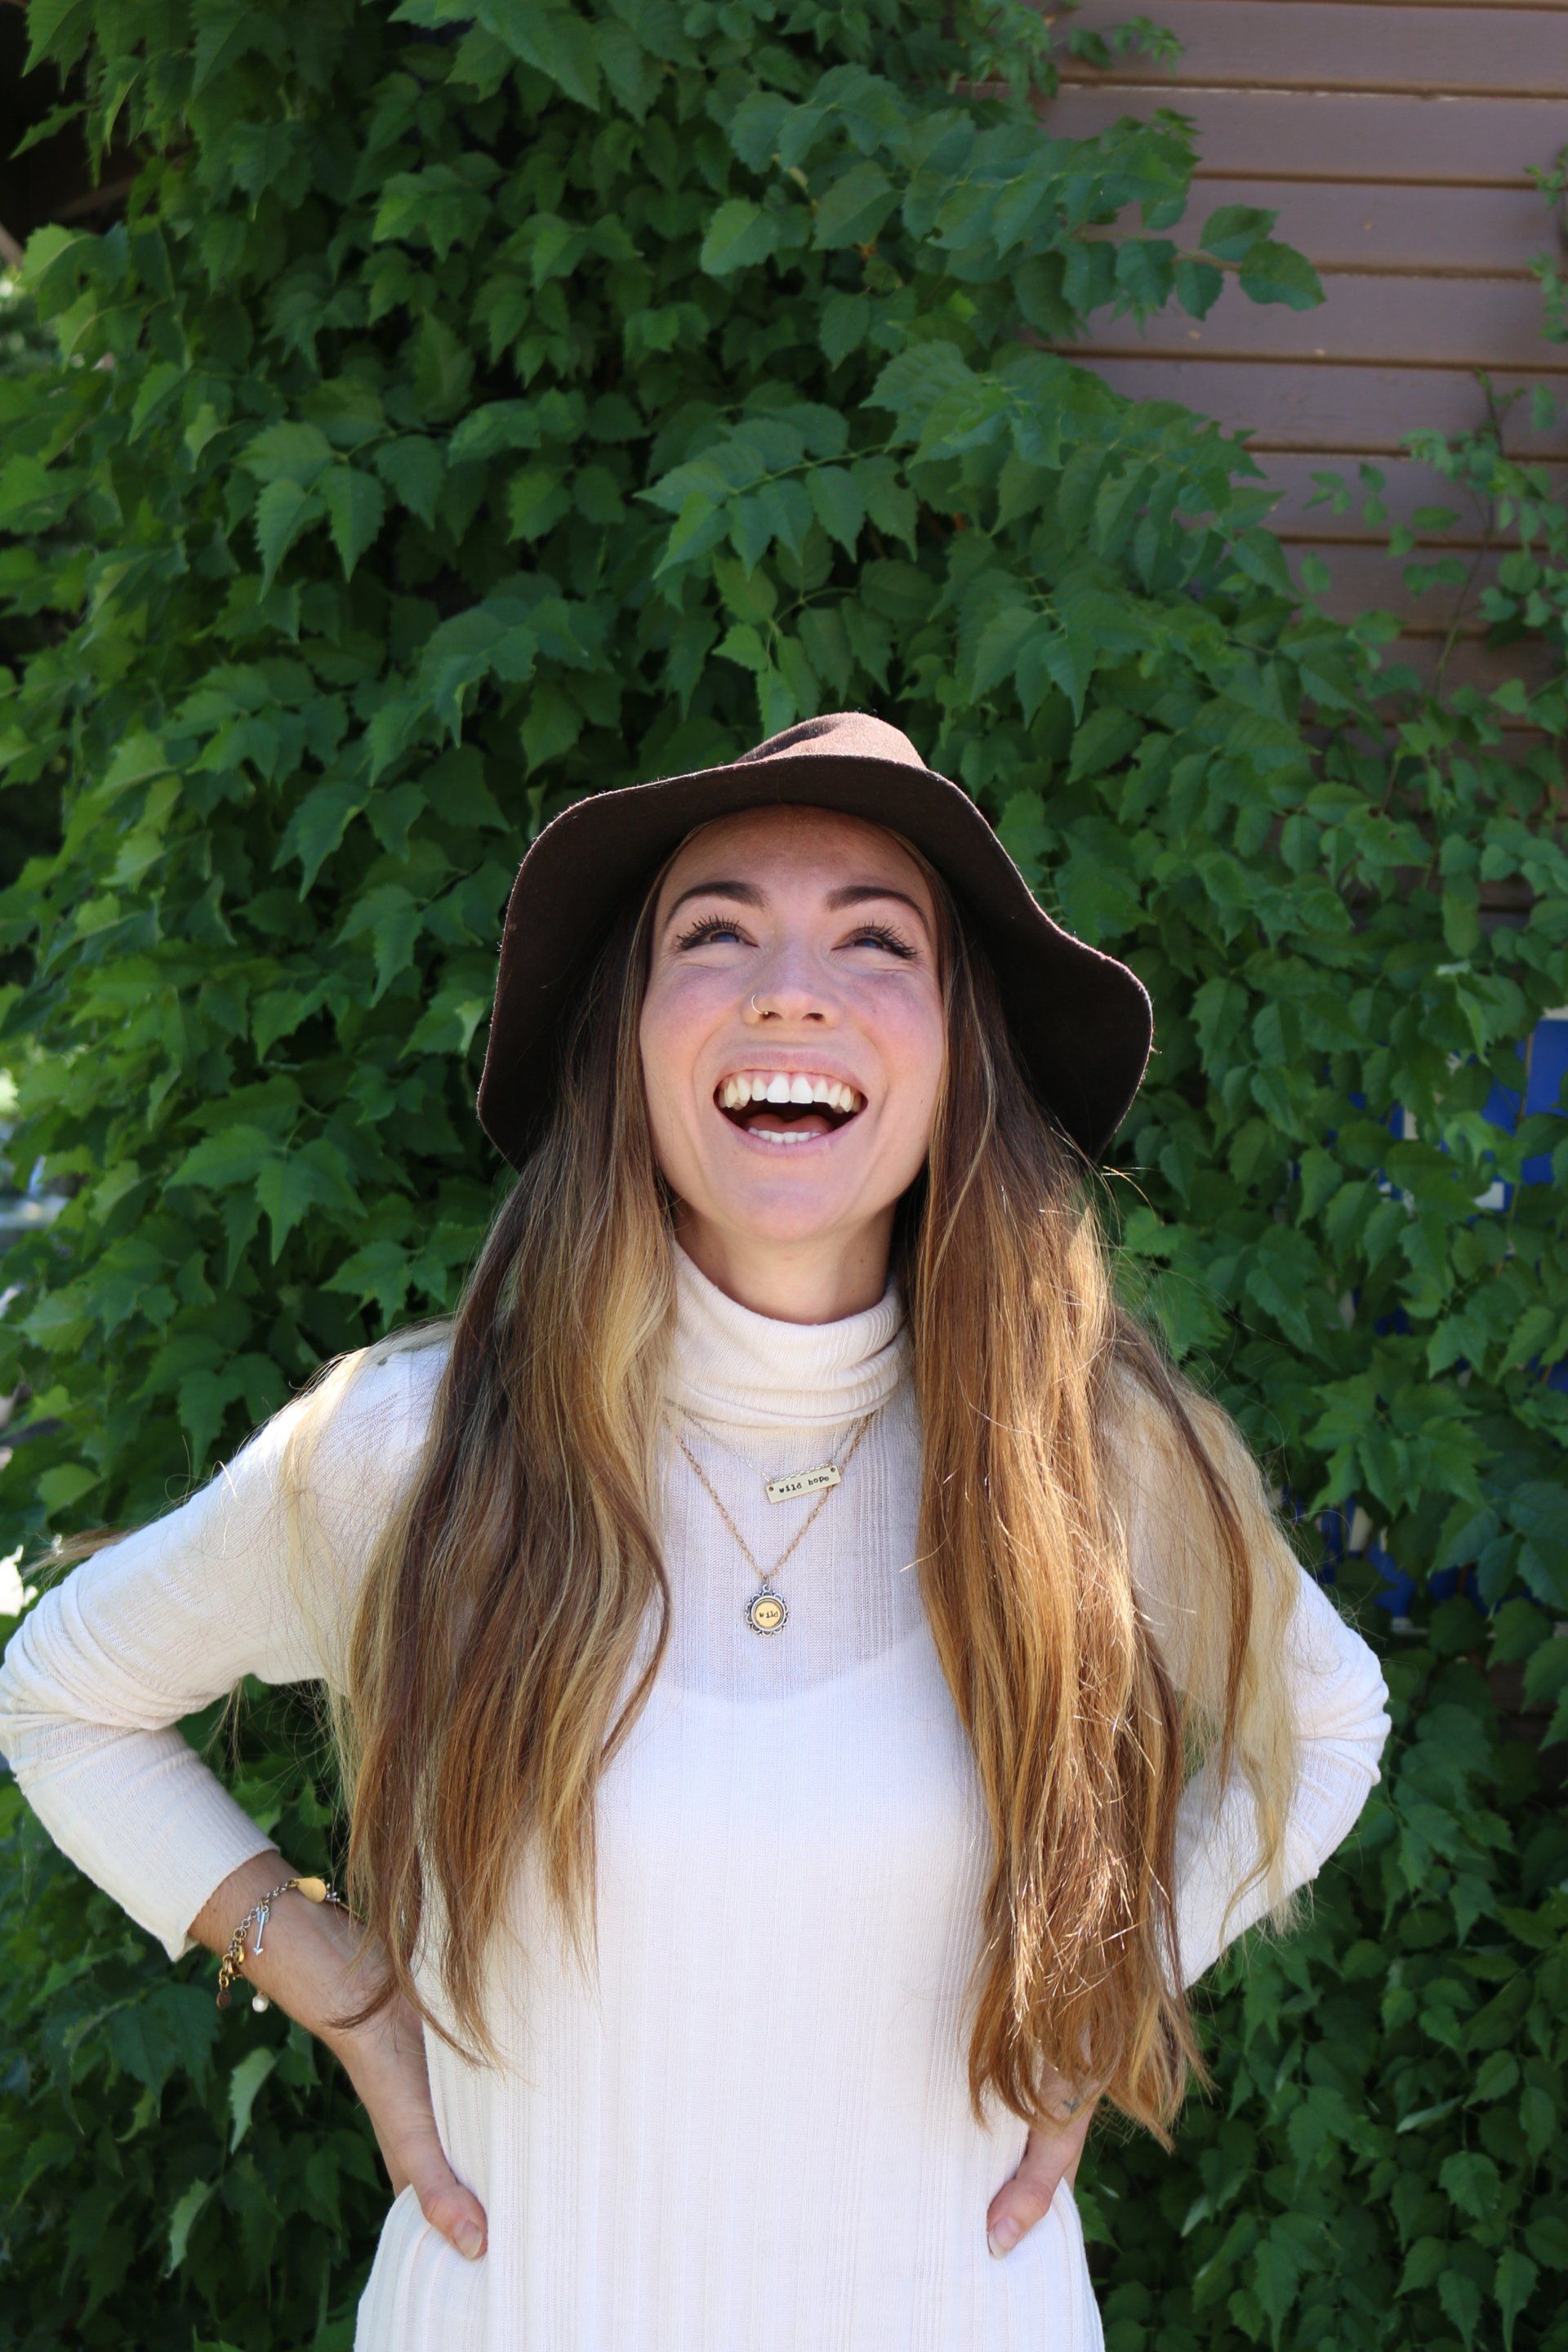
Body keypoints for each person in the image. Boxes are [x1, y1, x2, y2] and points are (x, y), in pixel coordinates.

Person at [0, 711, 1391, 2350]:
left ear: (962, 1051)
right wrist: (340, 1986)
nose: (791, 990)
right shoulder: (414, 1453)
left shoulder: (1082, 1458)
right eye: (717, 933)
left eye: (876, 942)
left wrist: (1110, 1996)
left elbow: (1328, 1722)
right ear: (628, 1041)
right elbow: (62, 1696)